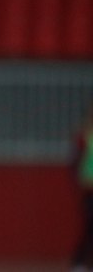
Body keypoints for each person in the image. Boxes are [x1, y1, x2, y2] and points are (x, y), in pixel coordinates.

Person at [71, 106, 93, 271]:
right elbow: (74, 161)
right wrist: (78, 182)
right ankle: (79, 263)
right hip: (89, 188)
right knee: (89, 227)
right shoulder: (84, 134)